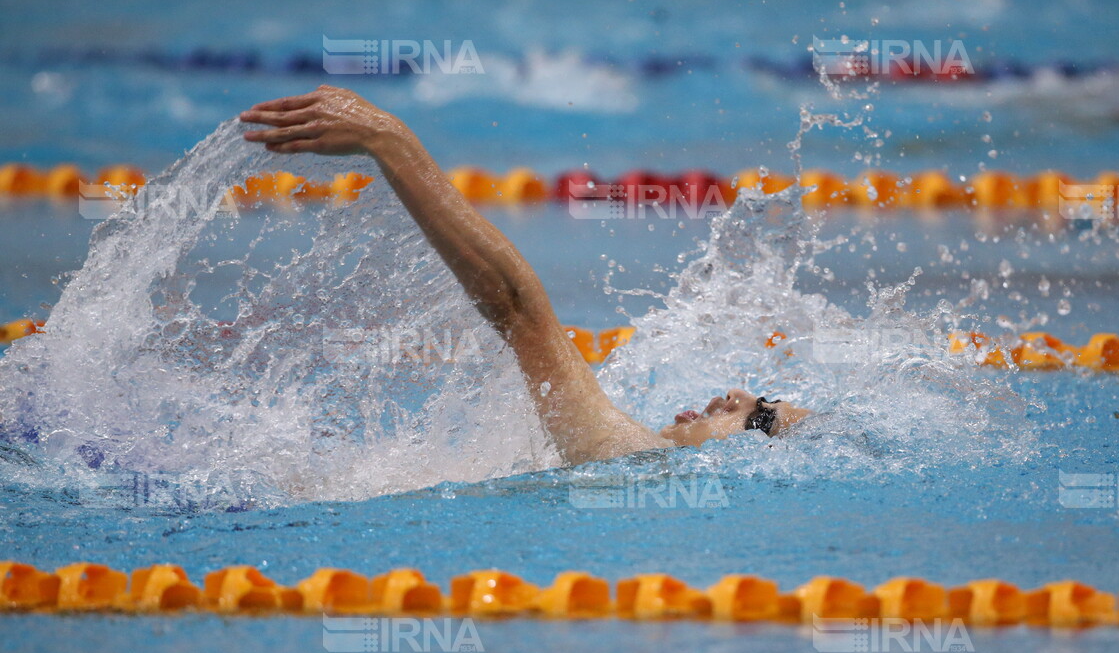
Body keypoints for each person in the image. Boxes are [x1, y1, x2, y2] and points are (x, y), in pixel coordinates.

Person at [240, 86, 810, 465]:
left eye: (758, 416)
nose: (736, 393)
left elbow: (517, 309)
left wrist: (388, 140)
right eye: (760, 397)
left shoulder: (629, 455)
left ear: (744, 461)